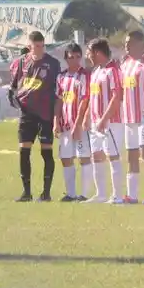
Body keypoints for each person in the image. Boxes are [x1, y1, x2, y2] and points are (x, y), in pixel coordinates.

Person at [8, 31, 62, 202]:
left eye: (41, 46)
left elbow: (58, 89)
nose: (39, 49)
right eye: (35, 46)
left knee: (46, 153)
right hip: (27, 113)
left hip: (45, 113)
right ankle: (26, 193)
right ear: (29, 46)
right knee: (24, 151)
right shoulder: (21, 62)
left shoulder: (52, 64)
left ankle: (46, 193)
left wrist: (56, 115)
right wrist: (13, 97)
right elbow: (14, 85)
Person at [118, 30, 144, 205]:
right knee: (132, 156)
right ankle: (132, 195)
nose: (126, 46)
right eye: (126, 43)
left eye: (130, 43)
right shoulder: (125, 63)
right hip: (129, 117)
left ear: (140, 44)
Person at [83, 38, 124, 204]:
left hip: (110, 121)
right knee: (96, 156)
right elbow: (92, 97)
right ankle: (100, 195)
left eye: (89, 52)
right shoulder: (95, 71)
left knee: (112, 156)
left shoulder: (112, 70)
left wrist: (104, 119)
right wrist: (87, 117)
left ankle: (117, 196)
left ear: (98, 53)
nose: (87, 55)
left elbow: (117, 96)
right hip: (95, 122)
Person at [54, 42, 91, 201]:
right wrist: (56, 121)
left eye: (78, 57)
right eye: (71, 57)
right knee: (66, 157)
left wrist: (78, 123)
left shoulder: (84, 76)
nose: (75, 60)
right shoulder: (61, 77)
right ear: (66, 59)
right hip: (65, 124)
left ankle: (84, 194)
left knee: (84, 156)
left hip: (80, 124)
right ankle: (70, 193)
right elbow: (59, 100)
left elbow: (85, 100)